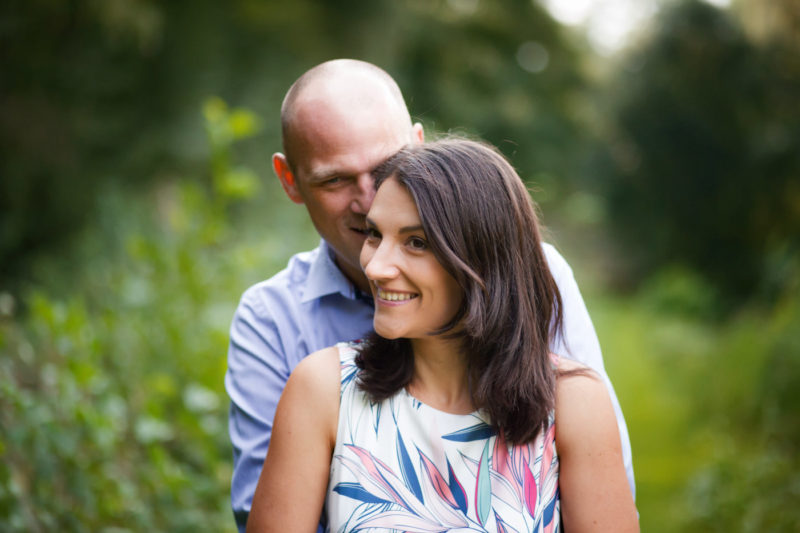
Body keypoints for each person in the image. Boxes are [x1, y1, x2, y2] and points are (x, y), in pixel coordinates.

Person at [225, 59, 635, 531]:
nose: (366, 198)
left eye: (417, 241)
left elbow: (605, 482)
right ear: (290, 180)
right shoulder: (296, 352)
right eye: (335, 179)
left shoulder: (557, 339)